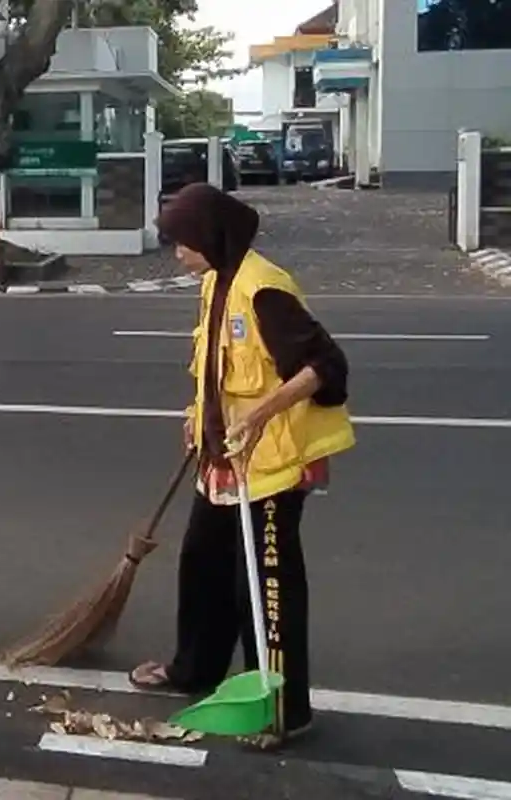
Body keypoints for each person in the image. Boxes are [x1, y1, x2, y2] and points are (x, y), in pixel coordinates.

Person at [129, 182, 355, 750]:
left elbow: (326, 365)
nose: (178, 254)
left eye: (183, 243)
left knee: (266, 589)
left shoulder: (263, 289)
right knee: (202, 563)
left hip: (271, 462)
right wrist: (197, 415)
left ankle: (283, 710)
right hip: (223, 457)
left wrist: (260, 414)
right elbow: (216, 365)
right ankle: (195, 669)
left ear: (210, 237)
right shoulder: (216, 282)